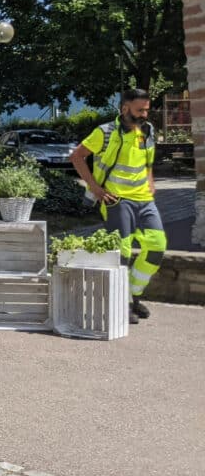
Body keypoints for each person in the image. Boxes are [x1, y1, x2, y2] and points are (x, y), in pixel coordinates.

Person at [70, 89, 166, 324]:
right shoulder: (105, 132)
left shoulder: (148, 130)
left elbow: (148, 159)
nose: (144, 114)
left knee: (157, 246)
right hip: (116, 200)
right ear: (125, 108)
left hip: (144, 199)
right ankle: (121, 302)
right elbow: (77, 156)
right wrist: (94, 188)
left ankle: (133, 296)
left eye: (146, 109)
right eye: (139, 110)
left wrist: (151, 181)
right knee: (122, 252)